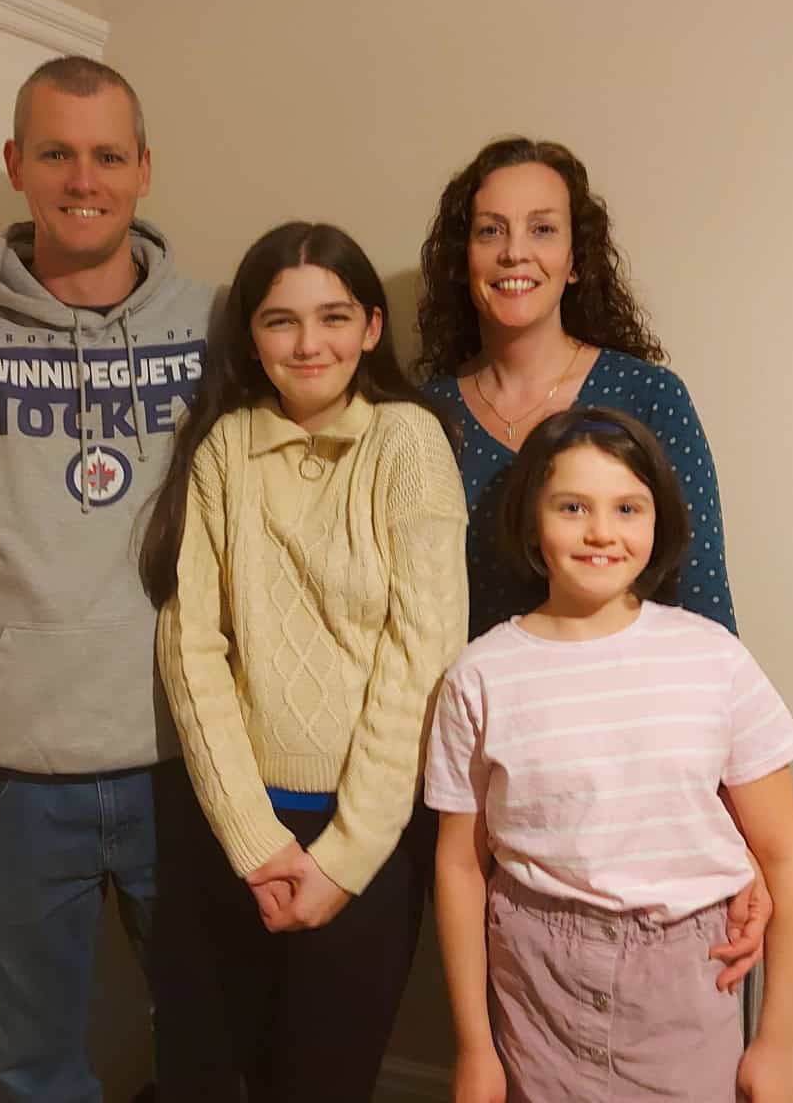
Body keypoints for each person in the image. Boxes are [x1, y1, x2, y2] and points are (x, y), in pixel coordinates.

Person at [0, 56, 215, 1101]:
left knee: (215, 1048)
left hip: (188, 756)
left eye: (108, 154)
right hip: (7, 776)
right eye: (57, 153)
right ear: (19, 165)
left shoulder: (213, 323)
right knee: (35, 1069)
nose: (84, 179)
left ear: (144, 168)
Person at [417, 136, 767, 991]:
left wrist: (740, 831)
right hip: (505, 780)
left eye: (542, 230)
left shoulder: (648, 396)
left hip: (646, 795)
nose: (514, 254)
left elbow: (704, 608)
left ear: (576, 259)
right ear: (464, 255)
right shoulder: (421, 415)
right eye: (491, 231)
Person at [140, 221, 469, 1102]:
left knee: (323, 1081)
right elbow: (191, 649)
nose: (309, 342)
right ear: (250, 334)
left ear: (370, 326)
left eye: (333, 317)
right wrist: (253, 842)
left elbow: (425, 656)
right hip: (230, 828)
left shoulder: (408, 443)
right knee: (204, 1071)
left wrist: (345, 858)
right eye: (281, 321)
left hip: (371, 838)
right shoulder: (223, 449)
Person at [427, 408, 793, 1103]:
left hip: (689, 983)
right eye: (573, 507)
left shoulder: (711, 657)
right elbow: (458, 864)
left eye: (628, 507)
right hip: (535, 984)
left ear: (657, 520)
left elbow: (785, 852)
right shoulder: (480, 676)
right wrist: (475, 1048)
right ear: (531, 520)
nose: (601, 531)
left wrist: (781, 1040)